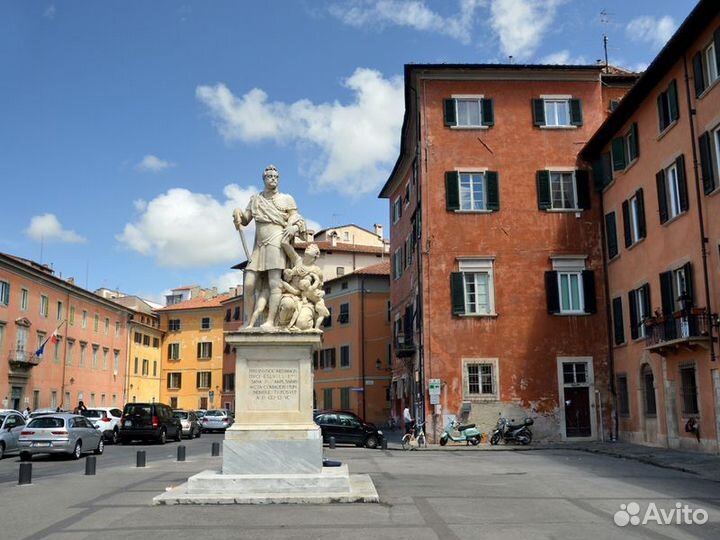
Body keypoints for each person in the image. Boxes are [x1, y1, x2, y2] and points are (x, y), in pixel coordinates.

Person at [233, 165, 306, 329]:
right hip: (259, 245)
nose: (273, 179)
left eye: (275, 176)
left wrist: (293, 226)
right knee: (249, 284)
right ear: (264, 179)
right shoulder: (255, 199)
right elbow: (245, 220)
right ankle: (248, 321)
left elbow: (297, 218)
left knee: (274, 283)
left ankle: (270, 321)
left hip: (276, 240)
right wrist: (237, 212)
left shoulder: (287, 199)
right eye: (269, 176)